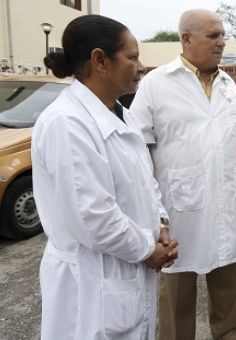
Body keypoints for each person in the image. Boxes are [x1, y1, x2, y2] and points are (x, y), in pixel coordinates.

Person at [33, 15, 178, 340]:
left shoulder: (121, 114)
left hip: (124, 272)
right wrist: (148, 249)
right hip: (91, 283)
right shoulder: (67, 123)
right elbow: (93, 217)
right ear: (100, 60)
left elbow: (145, 180)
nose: (141, 66)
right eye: (132, 57)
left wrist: (161, 225)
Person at [129, 9, 236, 340]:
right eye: (212, 35)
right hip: (176, 216)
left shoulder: (229, 85)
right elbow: (138, 148)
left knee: (231, 301)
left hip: (226, 211)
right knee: (176, 306)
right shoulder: (156, 85)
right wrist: (150, 211)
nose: (221, 42)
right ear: (186, 39)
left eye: (222, 35)